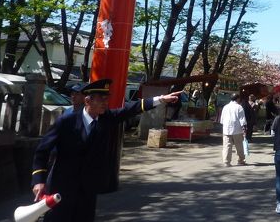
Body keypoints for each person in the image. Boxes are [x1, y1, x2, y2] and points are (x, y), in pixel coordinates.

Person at [31, 79, 181, 222]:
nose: (105, 103)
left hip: (88, 189)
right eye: (101, 99)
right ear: (88, 101)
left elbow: (132, 108)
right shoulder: (66, 122)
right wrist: (38, 181)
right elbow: (42, 151)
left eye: (106, 99)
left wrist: (161, 99)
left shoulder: (106, 119)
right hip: (62, 186)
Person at [220, 93, 247, 166]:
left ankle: (226, 162)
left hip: (226, 129)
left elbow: (222, 120)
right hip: (237, 129)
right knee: (239, 146)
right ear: (238, 99)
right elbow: (242, 120)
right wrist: (244, 129)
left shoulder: (225, 107)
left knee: (227, 146)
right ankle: (241, 160)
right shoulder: (239, 107)